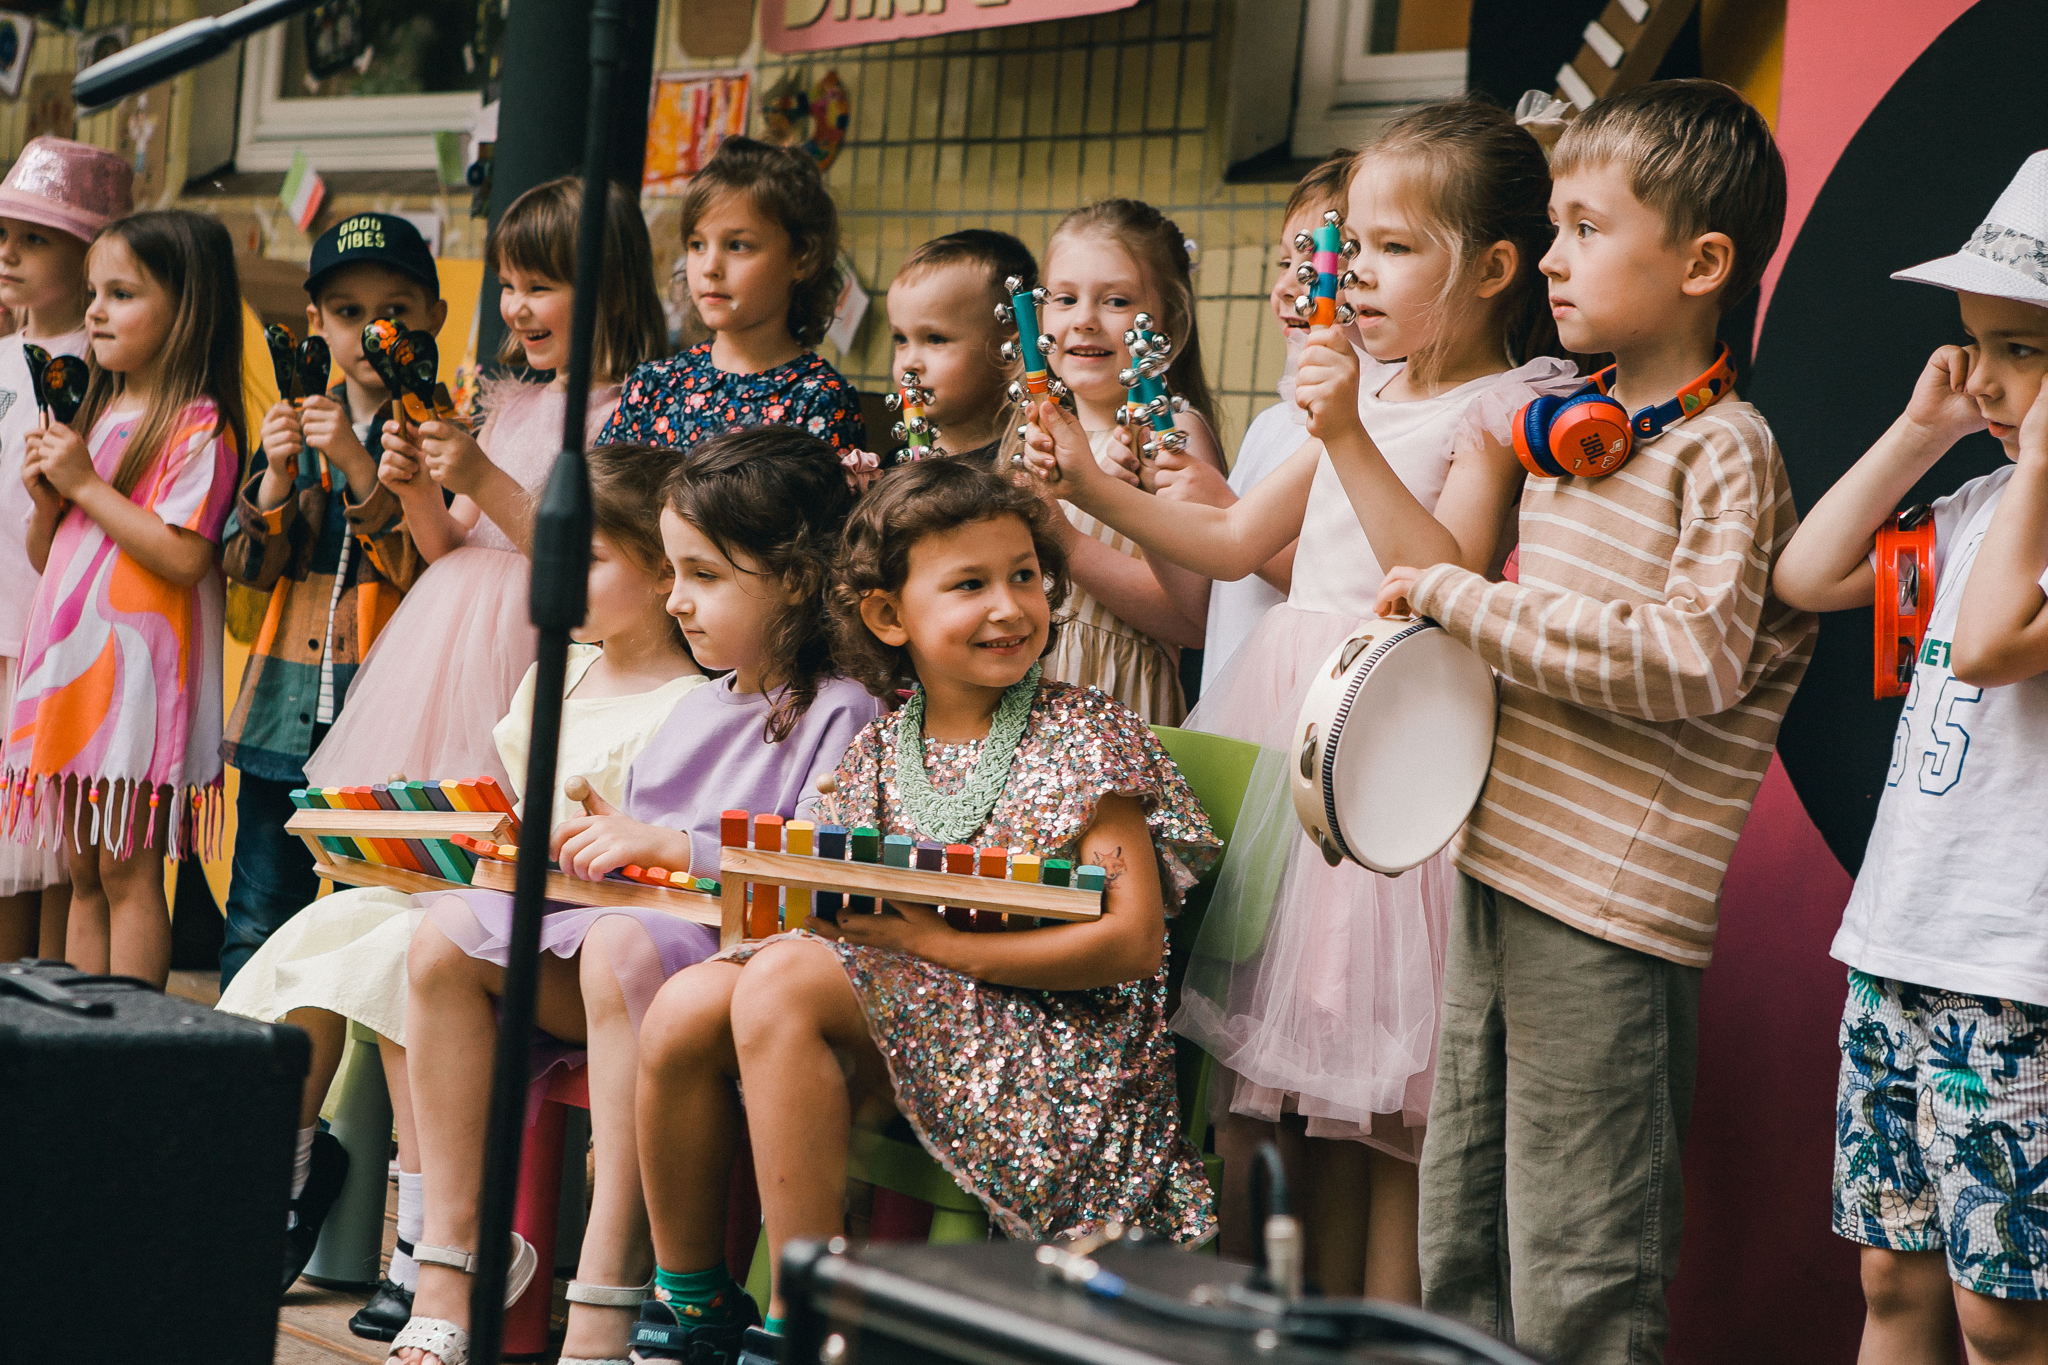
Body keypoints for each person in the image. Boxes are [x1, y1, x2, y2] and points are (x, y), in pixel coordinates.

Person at [1026, 101, 1574, 1297]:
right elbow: (1228, 542)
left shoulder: (1496, 408)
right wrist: (1080, 484)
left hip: (1389, 756)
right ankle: (1257, 1319)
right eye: (1350, 246)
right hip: (1287, 736)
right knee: (1257, 1106)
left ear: (1488, 269)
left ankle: (1378, 1326)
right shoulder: (1361, 390)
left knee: (1387, 1119)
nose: (1352, 274)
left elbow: (1444, 580)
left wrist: (1346, 431)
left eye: (1388, 248)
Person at [1367, 81, 1815, 1362]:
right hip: (1503, 864)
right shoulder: (1584, 425)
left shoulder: (1724, 450)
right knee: (1462, 1231)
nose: (1551, 259)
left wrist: (1463, 602)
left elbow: (1687, 658)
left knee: (1581, 1266)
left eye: (1582, 227)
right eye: (1550, 227)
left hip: (1607, 908)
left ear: (1701, 263)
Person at [630, 457, 1220, 1365]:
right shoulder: (878, 749)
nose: (1009, 606)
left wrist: (944, 945)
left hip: (1055, 1044)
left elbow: (1134, 938)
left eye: (1024, 574)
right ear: (887, 615)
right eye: (971, 584)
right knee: (685, 1005)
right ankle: (691, 1299)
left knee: (780, 985)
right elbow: (817, 904)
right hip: (921, 1015)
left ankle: (807, 1318)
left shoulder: (1085, 731)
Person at [386, 427, 881, 1365]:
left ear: (797, 578)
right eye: (675, 571)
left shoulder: (843, 708)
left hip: (716, 979)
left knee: (618, 946)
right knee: (446, 935)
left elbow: (816, 865)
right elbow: (646, 851)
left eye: (704, 575)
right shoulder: (702, 703)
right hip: (627, 962)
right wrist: (582, 842)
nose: (677, 597)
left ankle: (609, 1289)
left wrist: (671, 845)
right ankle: (449, 1259)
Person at [216, 443, 704, 1324]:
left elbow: (651, 868)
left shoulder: (689, 706)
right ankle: (282, 1171)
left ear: (666, 571)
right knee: (336, 923)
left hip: (591, 948)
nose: (555, 581)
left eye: (587, 559)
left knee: (414, 943)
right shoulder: (559, 673)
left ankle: (430, 1233)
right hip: (510, 911)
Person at [1772, 148, 2048, 1365]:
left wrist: (2035, 461)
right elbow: (1809, 575)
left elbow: (1991, 644)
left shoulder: (2020, 506)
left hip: (2016, 968)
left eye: (2020, 348)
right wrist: (1921, 428)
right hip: (1900, 943)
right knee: (1893, 1277)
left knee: (2003, 1316)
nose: (1982, 376)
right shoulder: (1979, 507)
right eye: (1971, 341)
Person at [303, 176, 666, 791]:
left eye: (539, 287)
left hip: (539, 644)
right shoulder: (508, 406)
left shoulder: (629, 412)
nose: (515, 306)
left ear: (607, 291)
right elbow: (448, 544)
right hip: (448, 645)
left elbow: (580, 558)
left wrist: (482, 475)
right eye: (507, 285)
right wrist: (419, 489)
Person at [2, 209, 243, 987]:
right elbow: (57, 557)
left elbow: (181, 552)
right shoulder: (98, 413)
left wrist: (84, 485)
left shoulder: (198, 425)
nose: (96, 309)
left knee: (128, 872)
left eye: (123, 293)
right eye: (96, 291)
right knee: (82, 871)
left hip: (138, 678)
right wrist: (50, 503)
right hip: (72, 669)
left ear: (187, 311)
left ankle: (132, 1057)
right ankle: (84, 1053)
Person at [219, 211, 444, 984]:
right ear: (316, 324)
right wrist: (278, 477)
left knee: (358, 924)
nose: (372, 331)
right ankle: (242, 1096)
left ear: (433, 321)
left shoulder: (433, 428)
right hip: (281, 713)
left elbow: (423, 567)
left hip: (379, 725)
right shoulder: (291, 419)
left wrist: (356, 463)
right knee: (256, 911)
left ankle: (333, 1106)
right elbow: (246, 567)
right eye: (349, 313)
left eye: (395, 311)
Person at [0, 136, 131, 962]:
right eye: (5, 232)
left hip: (43, 642)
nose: (8, 250)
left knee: (44, 865)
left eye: (36, 237)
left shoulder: (101, 375)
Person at [1029, 198, 1226, 724]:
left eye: (1115, 301)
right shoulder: (1033, 428)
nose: (1085, 321)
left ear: (1171, 320)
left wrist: (1065, 542)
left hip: (1115, 707)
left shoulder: (1170, 435)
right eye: (1064, 298)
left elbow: (1194, 621)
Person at [597, 136, 865, 457]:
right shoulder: (652, 385)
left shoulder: (819, 399)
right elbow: (604, 501)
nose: (710, 267)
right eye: (697, 245)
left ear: (802, 258)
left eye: (738, 245)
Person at [1195, 156, 1350, 694]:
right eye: (1284, 263)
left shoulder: (1362, 427)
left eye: (1310, 267)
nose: (1287, 286)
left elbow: (1338, 581)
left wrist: (1219, 505)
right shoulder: (1269, 424)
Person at [883, 228, 1037, 464]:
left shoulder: (1027, 465)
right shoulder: (894, 465)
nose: (908, 363)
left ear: (1009, 349)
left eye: (935, 339)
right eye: (901, 339)